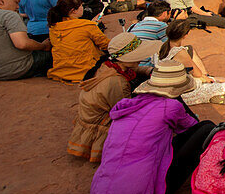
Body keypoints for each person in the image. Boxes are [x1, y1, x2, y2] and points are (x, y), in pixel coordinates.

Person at [90, 62, 216, 194]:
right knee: (207, 128)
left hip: (104, 188)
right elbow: (192, 126)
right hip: (143, 190)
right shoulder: (170, 106)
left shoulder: (130, 103)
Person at [68, 32, 159, 162]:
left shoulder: (108, 65)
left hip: (92, 115)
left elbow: (134, 70)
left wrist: (147, 71)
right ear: (125, 58)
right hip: (103, 123)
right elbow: (125, 113)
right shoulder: (117, 82)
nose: (140, 58)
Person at [153, 18, 225, 104]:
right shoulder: (180, 52)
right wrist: (206, 79)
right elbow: (197, 74)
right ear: (185, 35)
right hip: (183, 94)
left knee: (221, 80)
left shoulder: (161, 48)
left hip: (172, 87)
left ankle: (216, 95)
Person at [47, 0, 109, 84]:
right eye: (81, 6)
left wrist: (91, 24)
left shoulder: (54, 27)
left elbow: (76, 32)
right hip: (86, 71)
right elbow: (105, 45)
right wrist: (92, 26)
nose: (82, 8)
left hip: (62, 71)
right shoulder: (87, 26)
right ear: (73, 11)